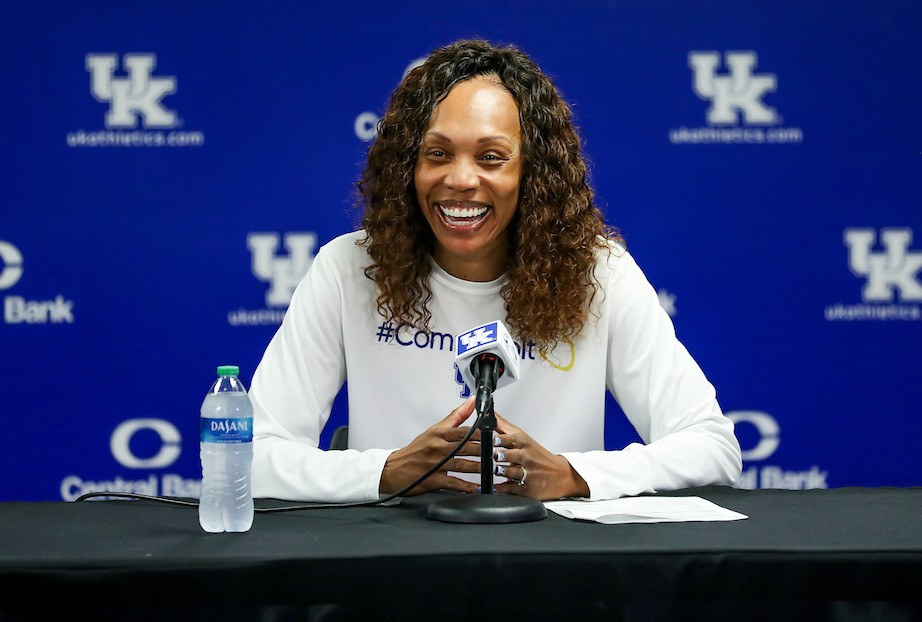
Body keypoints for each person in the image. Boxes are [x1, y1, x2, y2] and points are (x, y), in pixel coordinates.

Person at [249, 39, 741, 502]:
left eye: (491, 158)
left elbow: (713, 448)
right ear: (407, 168)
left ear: (533, 173)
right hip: (394, 568)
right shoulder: (348, 267)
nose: (461, 179)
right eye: (437, 154)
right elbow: (248, 457)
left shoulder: (600, 274)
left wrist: (573, 476)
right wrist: (388, 471)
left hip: (555, 567)